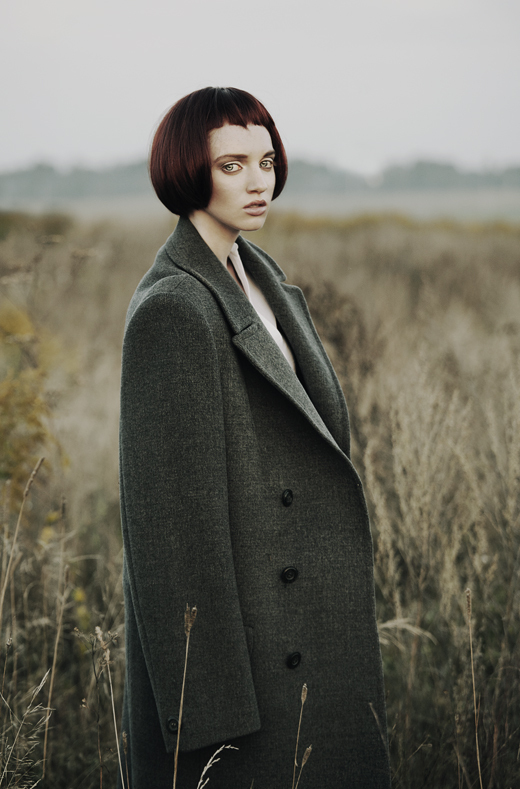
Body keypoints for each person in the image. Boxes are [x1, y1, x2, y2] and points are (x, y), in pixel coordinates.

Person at [118, 86, 390, 789]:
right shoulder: (174, 310)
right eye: (232, 165)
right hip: (254, 672)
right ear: (187, 171)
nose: (259, 181)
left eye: (266, 160)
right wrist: (208, 725)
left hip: (303, 635)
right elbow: (173, 535)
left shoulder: (260, 277)